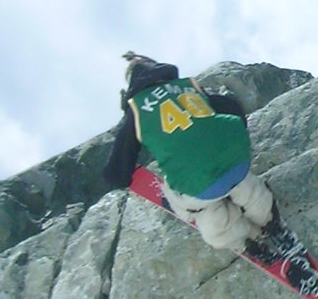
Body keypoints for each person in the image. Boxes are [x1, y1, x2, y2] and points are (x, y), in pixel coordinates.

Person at [103, 52, 277, 255]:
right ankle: (268, 216)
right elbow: (232, 107)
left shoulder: (137, 110)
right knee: (239, 181)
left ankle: (245, 239)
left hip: (201, 185)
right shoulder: (187, 86)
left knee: (187, 202)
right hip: (237, 159)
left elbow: (117, 174)